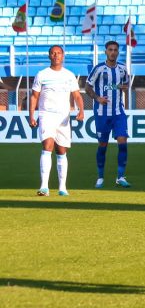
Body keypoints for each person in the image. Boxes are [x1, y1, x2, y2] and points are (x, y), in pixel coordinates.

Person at [28, 45, 84, 196]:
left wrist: (81, 111)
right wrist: (31, 115)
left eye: (58, 53)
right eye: (53, 53)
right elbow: (34, 96)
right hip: (46, 114)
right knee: (47, 145)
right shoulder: (42, 74)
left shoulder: (69, 75)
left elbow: (77, 95)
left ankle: (62, 188)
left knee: (61, 150)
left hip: (63, 116)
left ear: (63, 56)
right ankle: (44, 187)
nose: (56, 55)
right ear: (49, 56)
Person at [85, 41, 131, 188]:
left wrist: (122, 87)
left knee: (123, 143)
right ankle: (100, 177)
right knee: (103, 145)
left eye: (115, 50)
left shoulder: (123, 69)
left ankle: (120, 177)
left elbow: (126, 84)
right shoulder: (98, 69)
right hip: (101, 113)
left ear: (118, 52)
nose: (112, 52)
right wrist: (98, 98)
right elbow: (87, 87)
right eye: (110, 50)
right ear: (105, 52)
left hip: (118, 112)